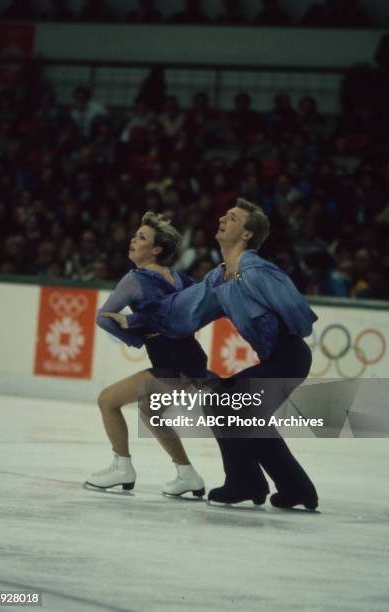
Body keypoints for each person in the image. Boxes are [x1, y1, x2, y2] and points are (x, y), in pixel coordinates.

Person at [110, 200, 319, 510]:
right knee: (247, 417)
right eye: (224, 214)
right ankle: (296, 489)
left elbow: (300, 318)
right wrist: (135, 319)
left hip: (289, 356)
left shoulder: (257, 270)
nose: (222, 218)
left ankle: (245, 481)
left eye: (232, 218)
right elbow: (182, 309)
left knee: (220, 400)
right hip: (275, 359)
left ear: (247, 234)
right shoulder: (219, 278)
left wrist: (274, 331)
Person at [86, 212, 221, 497]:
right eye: (135, 235)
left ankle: (122, 467)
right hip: (191, 359)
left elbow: (104, 317)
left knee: (107, 400)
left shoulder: (134, 280)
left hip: (172, 364)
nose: (133, 240)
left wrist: (136, 335)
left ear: (157, 249)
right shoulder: (181, 279)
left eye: (142, 237)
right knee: (151, 411)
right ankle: (187, 475)